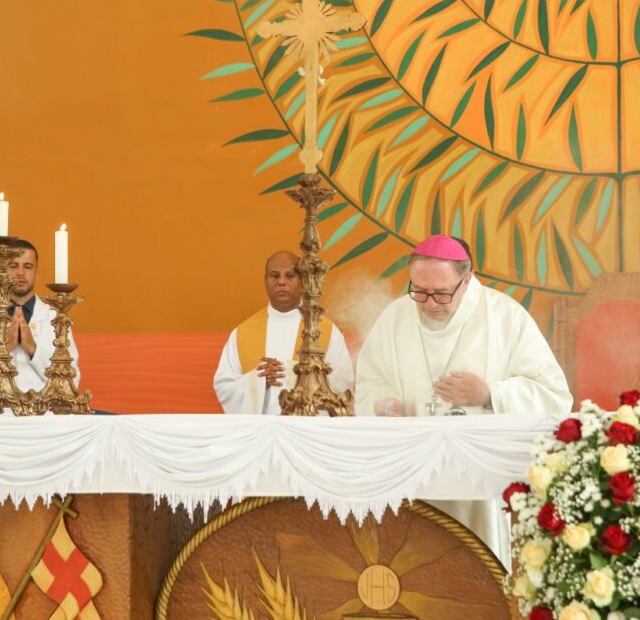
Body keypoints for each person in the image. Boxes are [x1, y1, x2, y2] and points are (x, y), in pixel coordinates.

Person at [354, 234, 572, 559]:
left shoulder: (504, 317)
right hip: (411, 471)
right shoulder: (395, 317)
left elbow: (554, 394)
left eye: (441, 294)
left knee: (477, 565)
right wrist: (384, 402)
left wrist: (490, 394)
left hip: (478, 477)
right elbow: (371, 379)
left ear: (467, 280)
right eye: (420, 291)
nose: (429, 303)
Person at [213, 250, 354, 414]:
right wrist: (257, 380)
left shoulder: (324, 330)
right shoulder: (242, 333)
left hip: (306, 427)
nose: (281, 282)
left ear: (303, 280)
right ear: (265, 281)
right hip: (261, 428)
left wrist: (296, 374)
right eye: (274, 276)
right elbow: (224, 386)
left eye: (290, 276)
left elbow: (343, 383)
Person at [0, 239, 79, 392]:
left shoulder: (56, 318)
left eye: (28, 266)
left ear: (36, 273)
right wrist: (2, 349)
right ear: (3, 271)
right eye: (13, 266)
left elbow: (73, 382)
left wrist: (33, 349)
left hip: (42, 407)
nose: (20, 273)